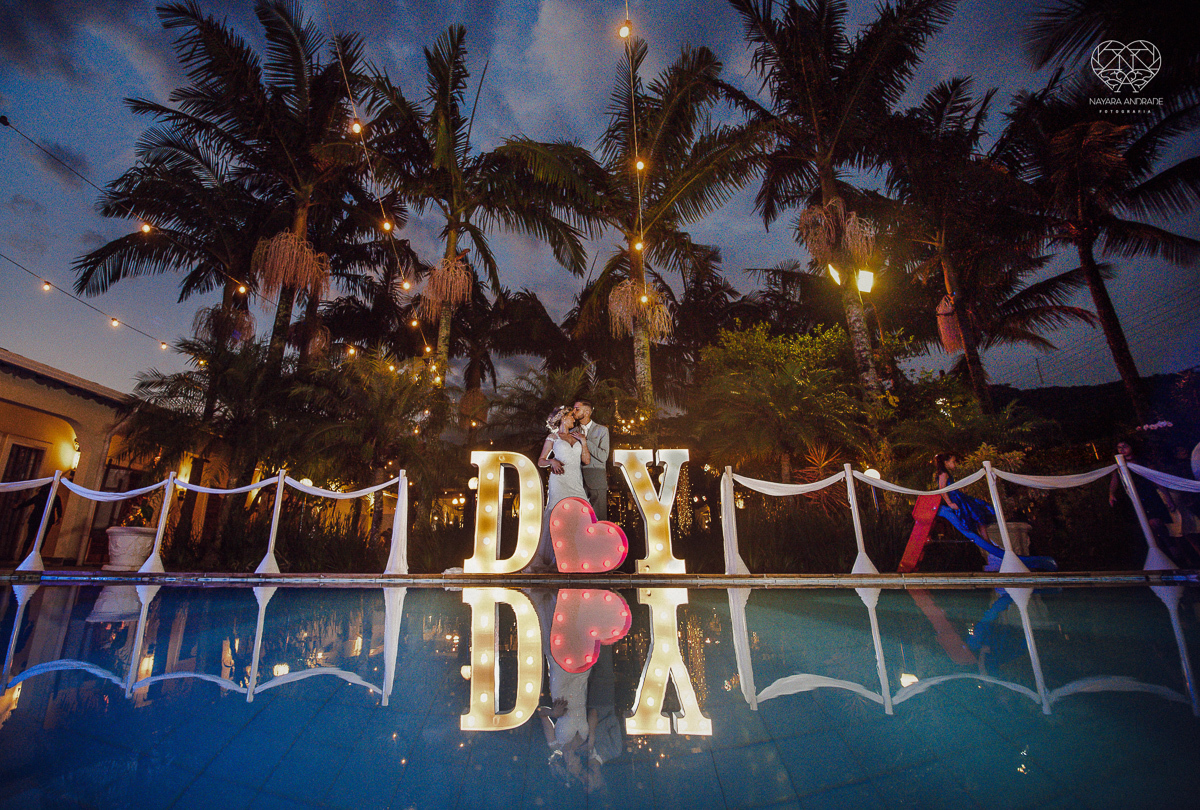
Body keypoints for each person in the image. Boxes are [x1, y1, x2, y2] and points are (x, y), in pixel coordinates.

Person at [528, 406, 590, 573]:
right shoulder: (553, 437)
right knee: (557, 516)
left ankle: (578, 557)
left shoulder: (577, 437)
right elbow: (541, 461)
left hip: (576, 482)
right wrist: (552, 462)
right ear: (562, 418)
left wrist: (583, 442)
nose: (574, 419)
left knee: (580, 515)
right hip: (559, 481)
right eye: (571, 416)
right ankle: (557, 558)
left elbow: (586, 460)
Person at [573, 400, 610, 521]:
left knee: (599, 519)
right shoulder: (572, 432)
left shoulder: (602, 430)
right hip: (577, 481)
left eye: (577, 409)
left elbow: (603, 456)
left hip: (596, 479)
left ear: (587, 412)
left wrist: (585, 441)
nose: (574, 412)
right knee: (579, 519)